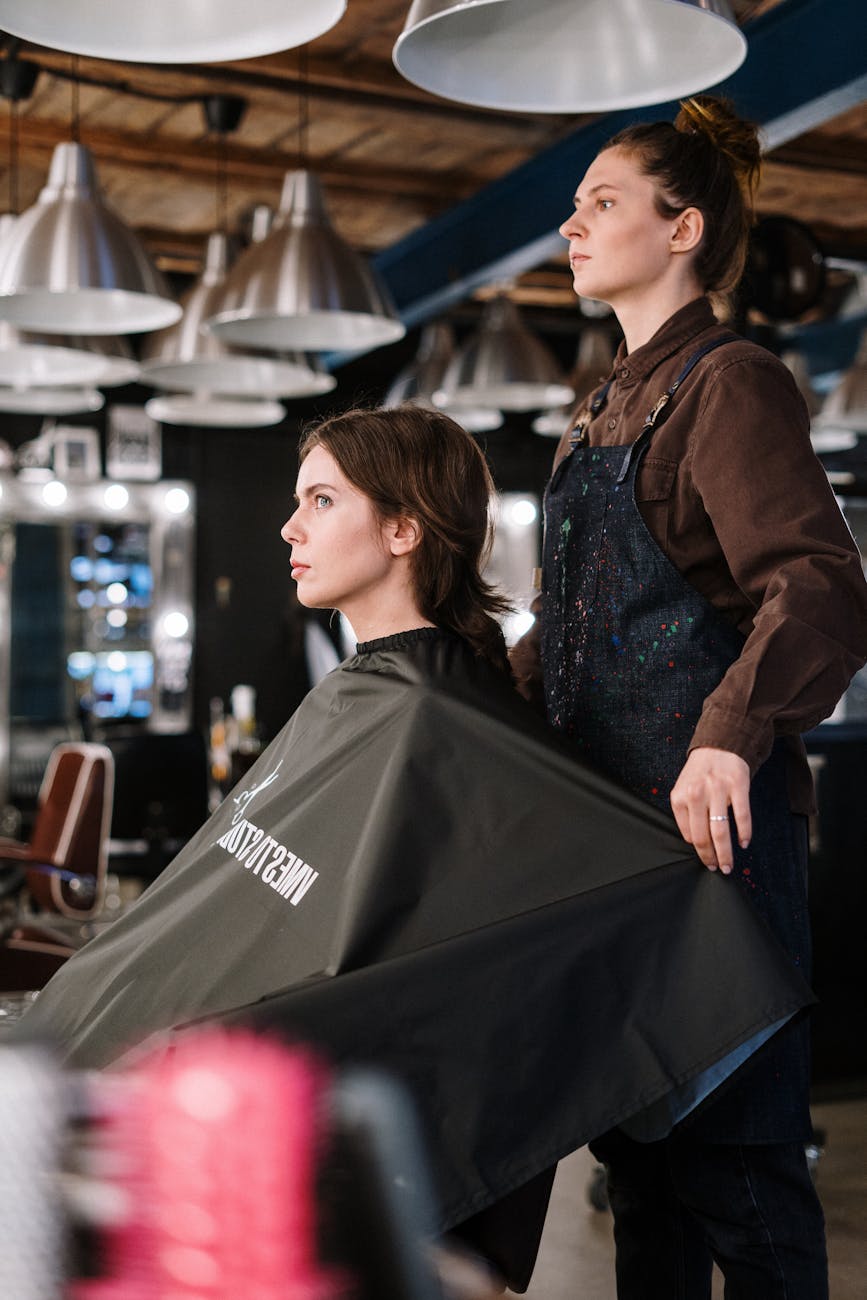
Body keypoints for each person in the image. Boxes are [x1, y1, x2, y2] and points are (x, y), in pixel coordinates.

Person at [16, 406, 812, 1292]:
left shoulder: (439, 721)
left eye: (321, 500)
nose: (288, 527)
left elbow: (418, 968)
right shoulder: (368, 698)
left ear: (403, 529)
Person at [511, 95, 867, 1299]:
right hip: (612, 855)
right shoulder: (596, 414)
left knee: (738, 1175)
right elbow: (563, 639)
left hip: (719, 844)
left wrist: (727, 737)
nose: (571, 225)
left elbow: (818, 587)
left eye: (601, 202)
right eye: (573, 206)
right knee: (645, 1174)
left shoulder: (730, 382)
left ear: (684, 229)